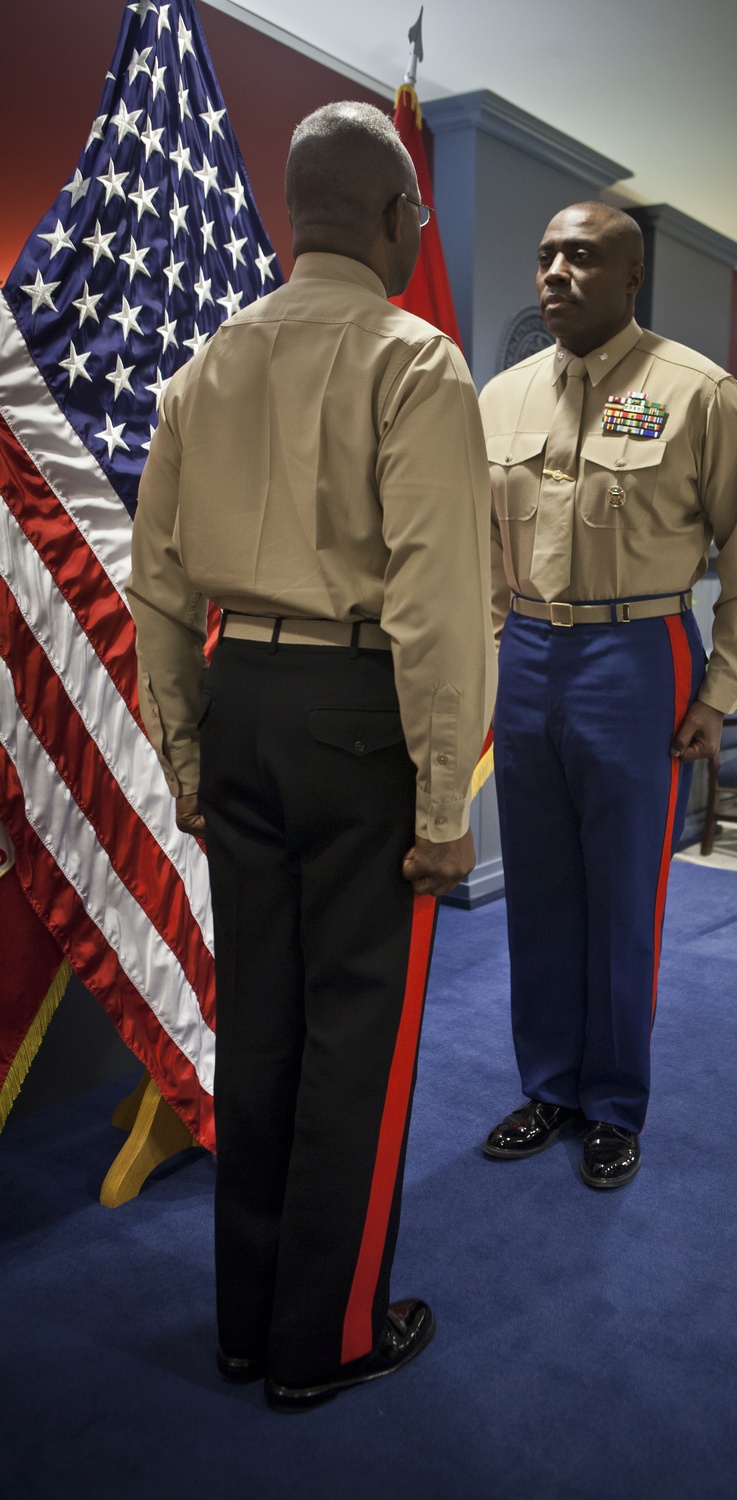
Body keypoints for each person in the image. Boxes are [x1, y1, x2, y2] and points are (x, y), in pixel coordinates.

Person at [127, 102, 496, 1412]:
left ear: (299, 217)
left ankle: (245, 1325)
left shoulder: (205, 365)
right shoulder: (418, 361)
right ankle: (326, 1337)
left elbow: (157, 589)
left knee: (264, 1024)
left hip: (239, 705)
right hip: (358, 717)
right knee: (358, 1035)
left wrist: (181, 749)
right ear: (394, 219)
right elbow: (438, 603)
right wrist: (446, 799)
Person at [479, 201, 737, 1189]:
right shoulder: (503, 397)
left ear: (630, 277)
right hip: (526, 653)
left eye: (581, 256)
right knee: (539, 889)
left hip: (636, 655)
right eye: (545, 255)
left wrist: (719, 691)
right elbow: (481, 550)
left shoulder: (700, 395)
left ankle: (611, 1104)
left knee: (620, 894)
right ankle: (548, 1087)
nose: (555, 272)